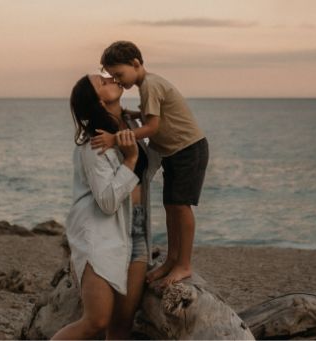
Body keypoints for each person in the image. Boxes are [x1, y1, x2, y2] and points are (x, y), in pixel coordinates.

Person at [91, 40, 209, 288]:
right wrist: (134, 116)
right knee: (171, 206)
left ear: (135, 63)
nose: (118, 80)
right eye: (112, 76)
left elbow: (152, 127)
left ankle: (184, 264)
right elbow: (152, 117)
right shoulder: (147, 86)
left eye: (119, 74)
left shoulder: (150, 86)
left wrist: (116, 138)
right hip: (175, 153)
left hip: (189, 150)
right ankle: (172, 259)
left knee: (181, 207)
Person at [51, 73, 160, 340]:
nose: (111, 78)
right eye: (103, 81)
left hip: (136, 229)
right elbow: (109, 202)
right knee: (96, 321)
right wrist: (131, 159)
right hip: (100, 234)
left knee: (122, 325)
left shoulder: (129, 124)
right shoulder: (94, 144)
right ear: (98, 100)